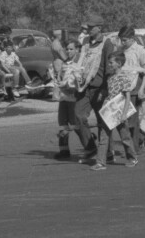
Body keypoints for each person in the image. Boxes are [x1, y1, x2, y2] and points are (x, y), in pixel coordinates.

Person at [89, 52, 138, 170]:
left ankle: (132, 158)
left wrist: (124, 114)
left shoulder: (124, 78)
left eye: (111, 62)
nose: (109, 64)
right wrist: (103, 95)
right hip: (109, 111)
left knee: (125, 137)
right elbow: (110, 92)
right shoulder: (110, 77)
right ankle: (100, 162)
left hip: (119, 112)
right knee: (104, 136)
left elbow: (127, 97)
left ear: (119, 63)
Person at [76, 14, 111, 161]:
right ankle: (91, 148)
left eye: (91, 27)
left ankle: (108, 152)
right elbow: (80, 61)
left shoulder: (107, 43)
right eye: (87, 27)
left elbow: (109, 66)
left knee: (102, 121)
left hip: (99, 87)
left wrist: (106, 89)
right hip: (83, 87)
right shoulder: (84, 41)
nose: (88, 29)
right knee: (78, 116)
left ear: (100, 28)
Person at [53, 40, 86, 160]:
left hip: (74, 98)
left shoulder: (80, 63)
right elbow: (60, 77)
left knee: (76, 126)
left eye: (71, 49)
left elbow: (80, 82)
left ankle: (89, 147)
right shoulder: (64, 63)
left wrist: (68, 86)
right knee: (62, 124)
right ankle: (64, 151)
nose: (68, 51)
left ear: (77, 49)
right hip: (63, 98)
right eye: (67, 49)